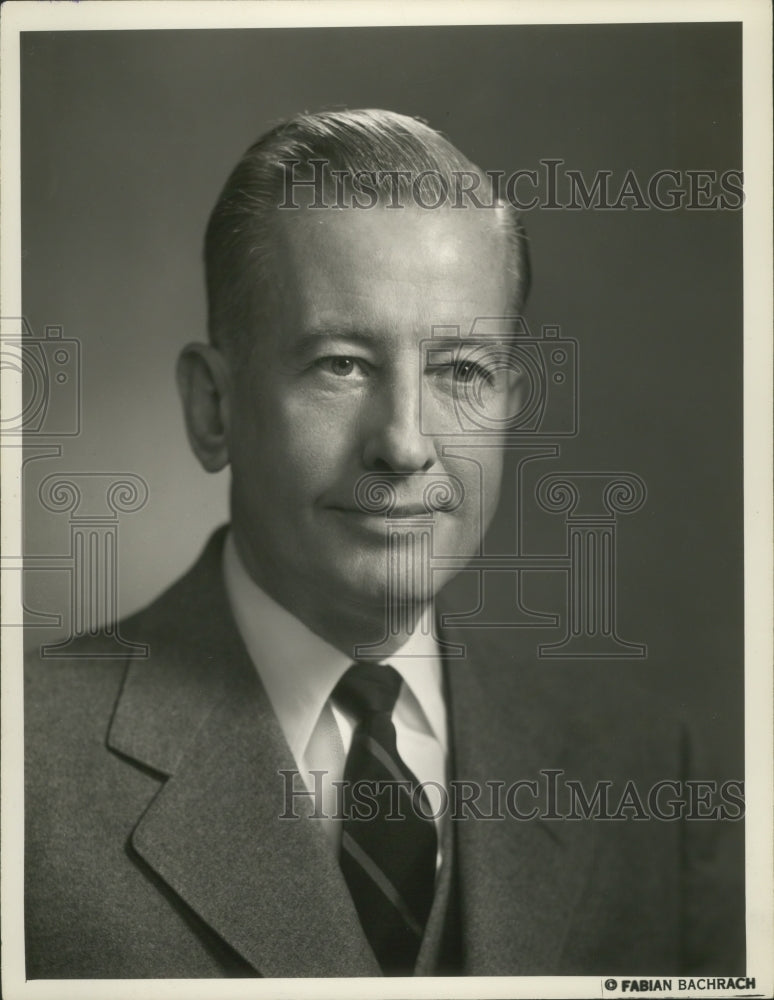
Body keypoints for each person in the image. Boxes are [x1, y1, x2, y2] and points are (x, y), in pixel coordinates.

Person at [24, 109, 744, 979]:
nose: (404, 444)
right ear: (214, 408)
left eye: (459, 372)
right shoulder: (22, 772)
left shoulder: (646, 780)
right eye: (342, 364)